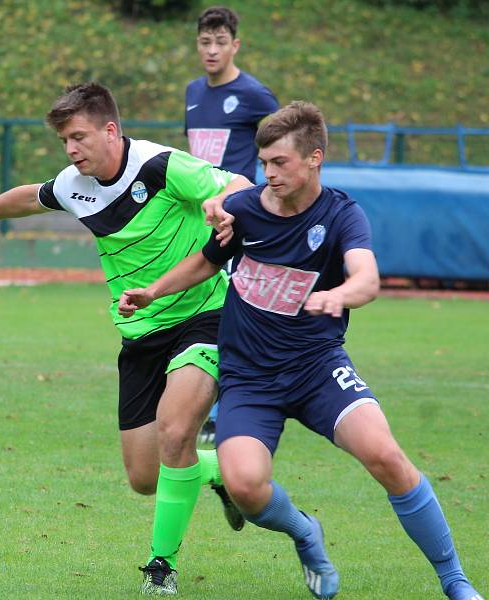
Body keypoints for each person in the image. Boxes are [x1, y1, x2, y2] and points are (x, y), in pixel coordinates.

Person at [118, 101, 484, 600]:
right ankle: (305, 533)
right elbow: (205, 262)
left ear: (314, 158)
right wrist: (154, 291)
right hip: (249, 379)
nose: (267, 174)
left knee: (386, 455)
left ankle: (455, 581)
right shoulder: (245, 210)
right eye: (264, 163)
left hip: (317, 369)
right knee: (244, 486)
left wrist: (339, 294)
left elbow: (368, 278)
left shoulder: (340, 214)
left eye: (279, 163)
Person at [0, 82, 252, 596]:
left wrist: (221, 201)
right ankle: (221, 473)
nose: (71, 149)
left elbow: (238, 180)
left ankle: (161, 565)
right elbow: (31, 197)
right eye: (65, 140)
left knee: (177, 431)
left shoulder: (161, 166)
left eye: (79, 137)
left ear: (110, 130)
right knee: (144, 476)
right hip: (139, 335)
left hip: (204, 314)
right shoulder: (74, 183)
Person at [185, 6, 279, 444]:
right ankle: (205, 401)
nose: (212, 49)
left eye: (221, 41)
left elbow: (282, 144)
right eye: (205, 41)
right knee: (202, 307)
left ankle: (226, 410)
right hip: (196, 217)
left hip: (235, 217)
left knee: (232, 310)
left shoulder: (255, 96)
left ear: (235, 45)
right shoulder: (192, 93)